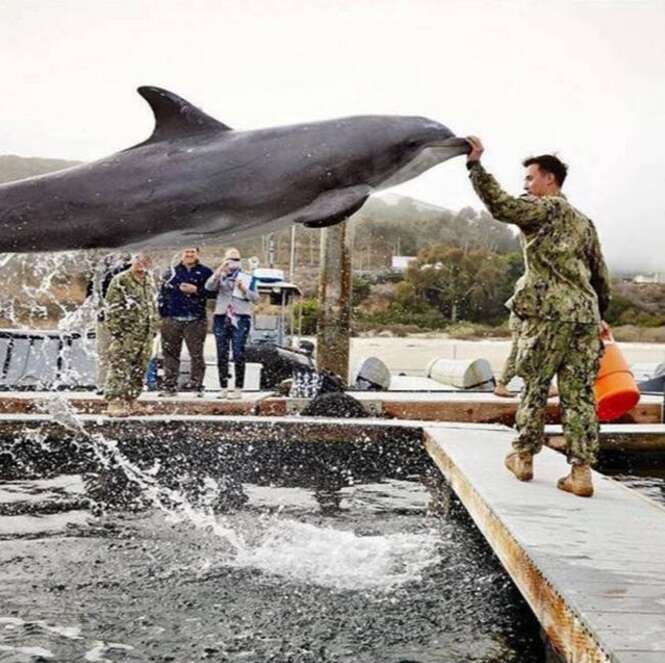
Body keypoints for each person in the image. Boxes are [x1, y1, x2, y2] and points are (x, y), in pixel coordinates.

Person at [465, 138, 610, 497]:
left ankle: (524, 457)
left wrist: (475, 166)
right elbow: (600, 275)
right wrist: (600, 314)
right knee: (580, 396)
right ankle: (580, 474)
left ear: (549, 179)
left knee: (535, 385)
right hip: (584, 316)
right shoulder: (585, 222)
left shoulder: (544, 210)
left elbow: (500, 205)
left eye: (530, 179)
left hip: (546, 315)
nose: (526, 186)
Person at [103, 253, 159, 416]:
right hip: (127, 334)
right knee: (120, 367)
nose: (143, 263)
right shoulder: (121, 280)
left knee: (139, 368)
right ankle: (114, 402)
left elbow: (152, 306)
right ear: (133, 260)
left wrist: (154, 327)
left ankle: (131, 400)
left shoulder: (149, 280)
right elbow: (112, 308)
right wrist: (118, 332)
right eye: (140, 259)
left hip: (145, 334)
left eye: (147, 260)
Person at [157, 247, 213, 396]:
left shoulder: (206, 272)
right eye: (186, 252)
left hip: (195, 319)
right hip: (172, 318)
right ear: (181, 254)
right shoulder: (171, 272)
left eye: (192, 252)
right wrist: (163, 315)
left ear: (197, 254)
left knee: (196, 354)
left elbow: (213, 293)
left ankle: (197, 384)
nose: (189, 254)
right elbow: (162, 294)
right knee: (170, 354)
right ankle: (169, 385)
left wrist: (196, 291)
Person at [205, 248, 259, 399]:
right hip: (222, 316)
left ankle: (238, 387)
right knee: (221, 353)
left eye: (236, 260)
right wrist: (220, 270)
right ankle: (223, 387)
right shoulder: (220, 276)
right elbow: (208, 287)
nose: (233, 263)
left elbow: (256, 298)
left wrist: (243, 289)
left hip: (240, 316)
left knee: (238, 352)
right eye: (230, 259)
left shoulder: (247, 277)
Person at [86, 253, 132, 394]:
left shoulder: (129, 271)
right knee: (103, 353)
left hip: (124, 320)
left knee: (122, 353)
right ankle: (102, 385)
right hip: (103, 319)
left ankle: (121, 384)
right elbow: (90, 295)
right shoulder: (99, 274)